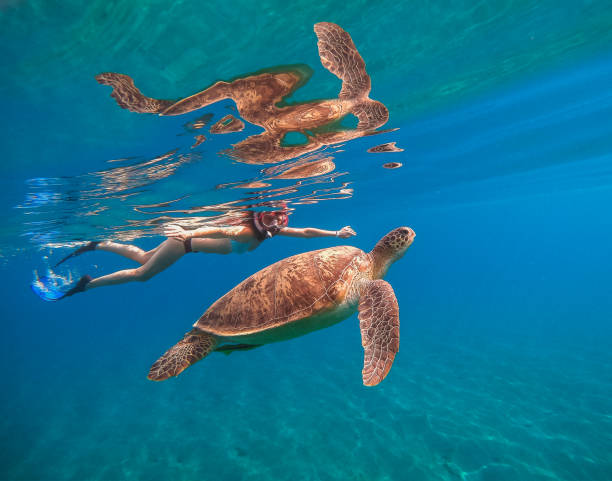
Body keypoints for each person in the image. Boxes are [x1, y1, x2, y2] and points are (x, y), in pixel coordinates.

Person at [53, 211, 356, 299]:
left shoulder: (270, 231)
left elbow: (305, 232)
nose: (277, 224)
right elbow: (224, 232)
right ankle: (87, 285)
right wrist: (189, 234)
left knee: (143, 258)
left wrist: (335, 234)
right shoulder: (248, 231)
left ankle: (97, 244)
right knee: (142, 275)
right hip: (183, 244)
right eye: (272, 218)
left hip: (185, 241)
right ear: (259, 218)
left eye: (280, 219)